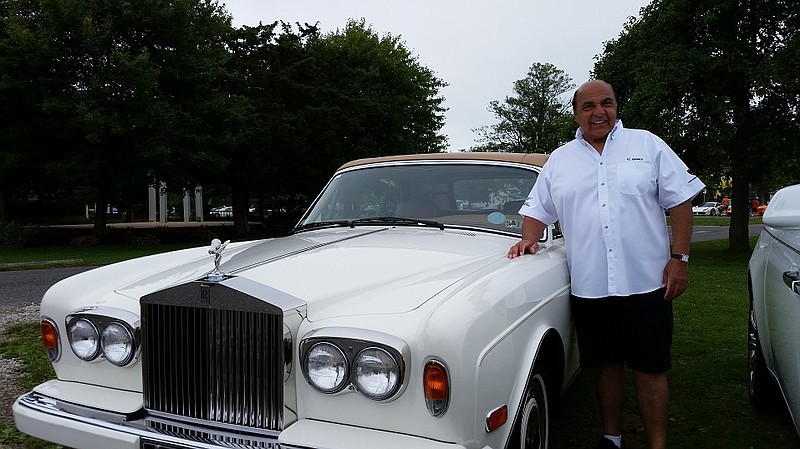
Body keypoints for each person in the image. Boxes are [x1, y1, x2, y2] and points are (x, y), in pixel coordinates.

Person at [507, 80, 704, 449]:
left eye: (607, 103)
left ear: (616, 106)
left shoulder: (647, 145)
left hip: (647, 284)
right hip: (591, 285)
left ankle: (657, 443)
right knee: (605, 366)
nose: (599, 112)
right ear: (576, 113)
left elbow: (680, 202)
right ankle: (611, 437)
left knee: (651, 369)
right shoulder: (560, 160)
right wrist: (529, 239)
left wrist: (680, 260)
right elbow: (538, 209)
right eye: (589, 106)